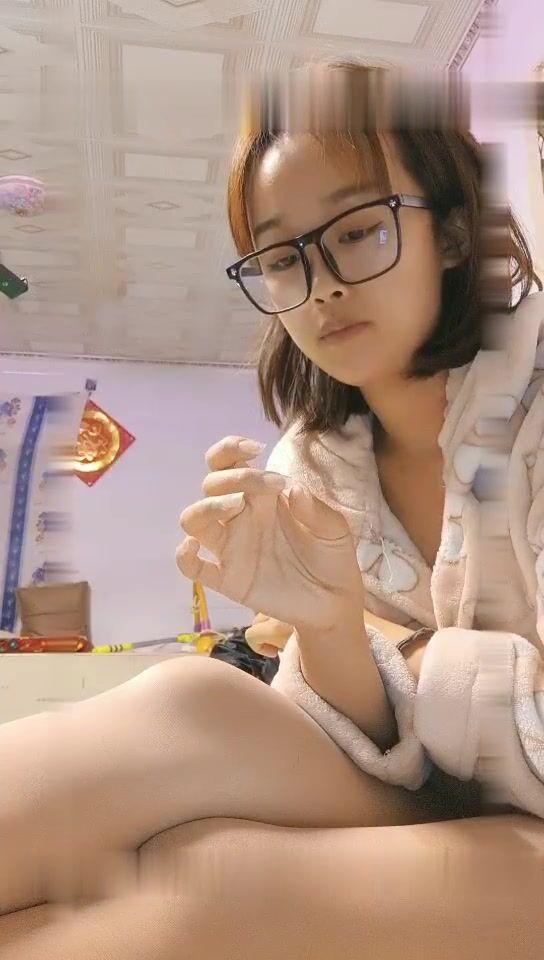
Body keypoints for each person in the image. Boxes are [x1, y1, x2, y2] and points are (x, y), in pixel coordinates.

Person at [1, 62, 544, 960]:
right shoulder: (311, 466)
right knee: (192, 699)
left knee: (216, 883)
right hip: (441, 797)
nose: (321, 285)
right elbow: (364, 735)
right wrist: (330, 630)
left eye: (358, 231)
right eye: (283, 257)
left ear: (453, 232)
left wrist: (396, 643)